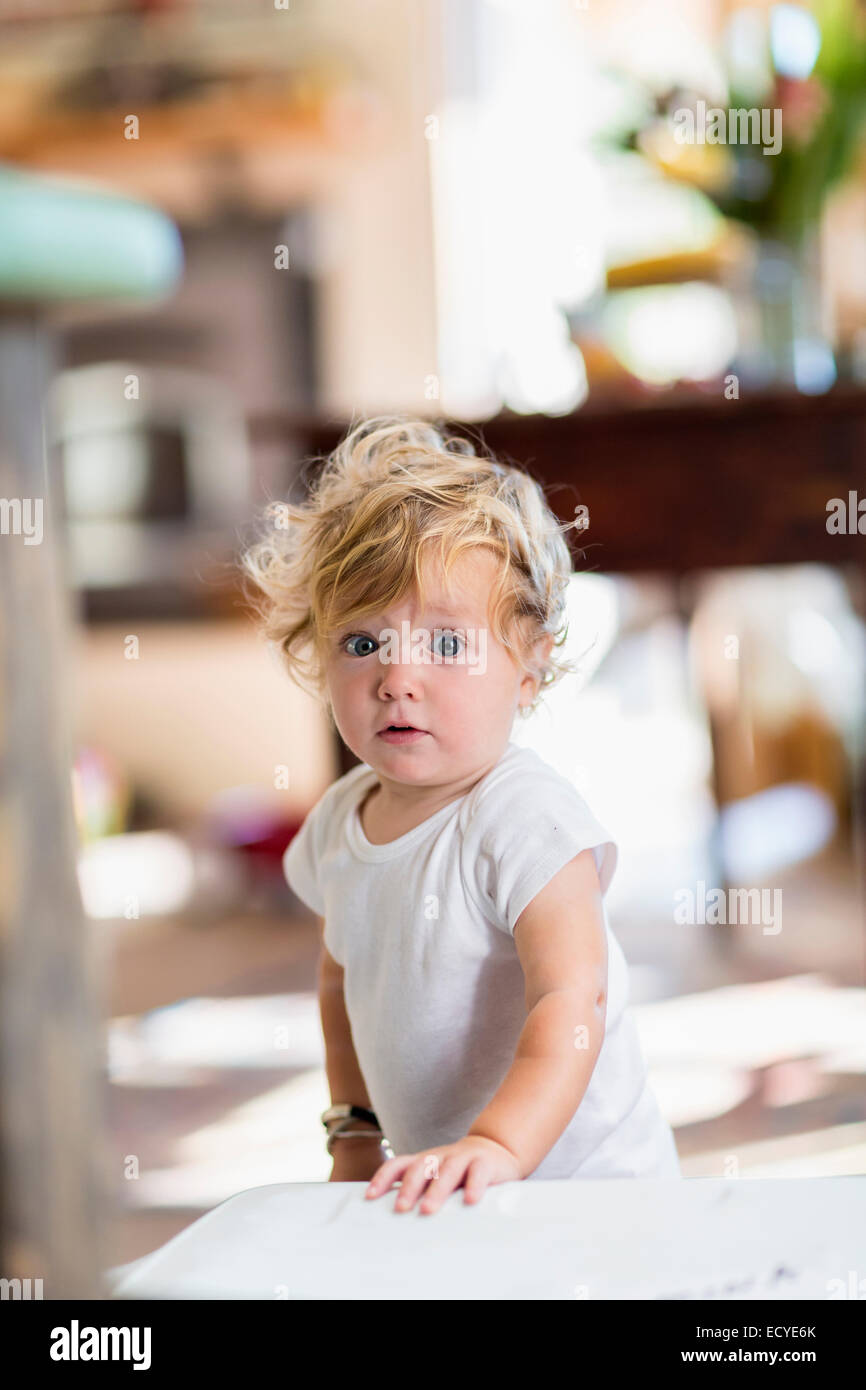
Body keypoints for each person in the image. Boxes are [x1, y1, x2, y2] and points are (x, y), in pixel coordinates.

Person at [241, 415, 681, 1215]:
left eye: (447, 645)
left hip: (593, 1197)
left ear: (530, 669)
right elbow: (342, 977)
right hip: (451, 1189)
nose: (399, 678)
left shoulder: (526, 820)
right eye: (363, 643)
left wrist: (499, 1143)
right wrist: (355, 1134)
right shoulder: (339, 825)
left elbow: (571, 999)